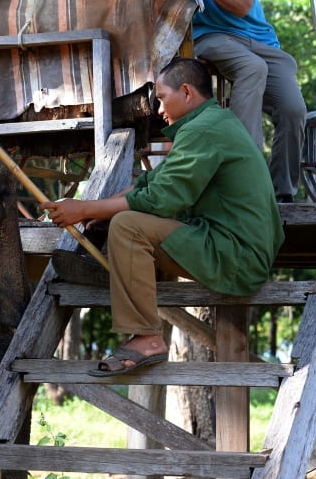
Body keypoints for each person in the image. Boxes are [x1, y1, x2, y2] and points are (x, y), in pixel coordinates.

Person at [40, 57, 284, 376]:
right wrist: (96, 210)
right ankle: (118, 263)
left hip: (237, 256)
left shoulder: (203, 130)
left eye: (161, 98)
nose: (157, 110)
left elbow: (160, 200)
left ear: (186, 92)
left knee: (128, 226)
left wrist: (84, 209)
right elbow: (149, 183)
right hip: (225, 244)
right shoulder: (209, 123)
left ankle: (146, 338)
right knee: (118, 220)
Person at [131, 0, 307, 203]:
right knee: (251, 68)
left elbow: (242, 4)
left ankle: (281, 194)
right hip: (207, 34)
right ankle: (242, 179)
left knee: (294, 109)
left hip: (258, 36)